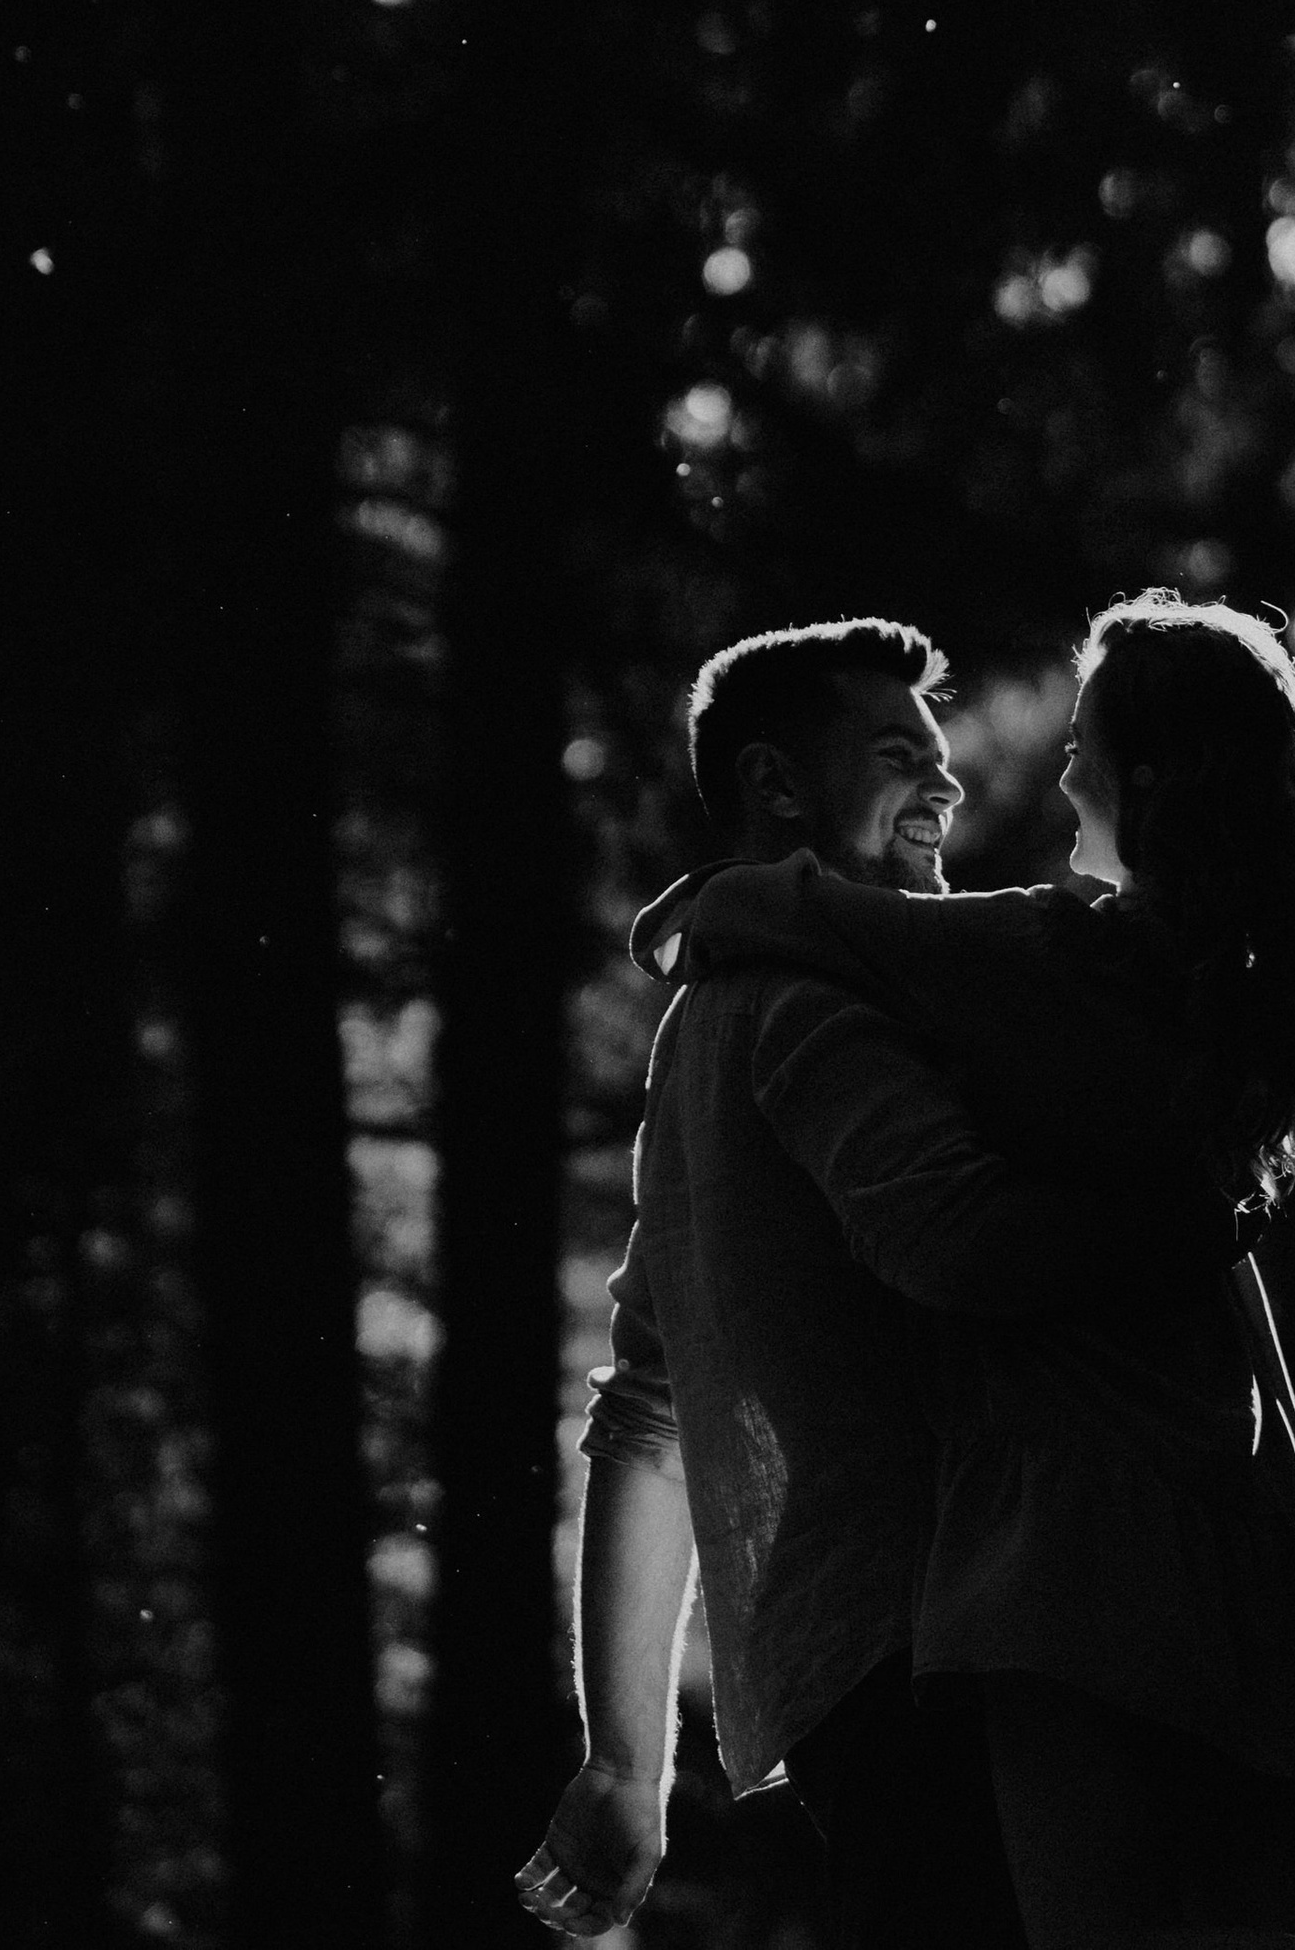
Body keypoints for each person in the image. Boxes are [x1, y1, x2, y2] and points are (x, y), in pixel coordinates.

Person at [633, 549, 1295, 1950]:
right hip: (1243, 1527)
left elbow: (827, 924)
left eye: (1087, 744)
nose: (1050, 773)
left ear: (1141, 783)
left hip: (1061, 1557)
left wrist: (711, 910)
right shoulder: (1275, 984)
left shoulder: (1050, 962)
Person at [515, 614, 1232, 1950]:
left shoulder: (701, 1033)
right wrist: (1196, 1215)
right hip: (965, 1650)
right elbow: (960, 1240)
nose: (949, 786)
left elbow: (646, 1412)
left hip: (846, 1674)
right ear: (780, 788)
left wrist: (625, 1763)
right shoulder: (813, 1005)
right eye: (903, 753)